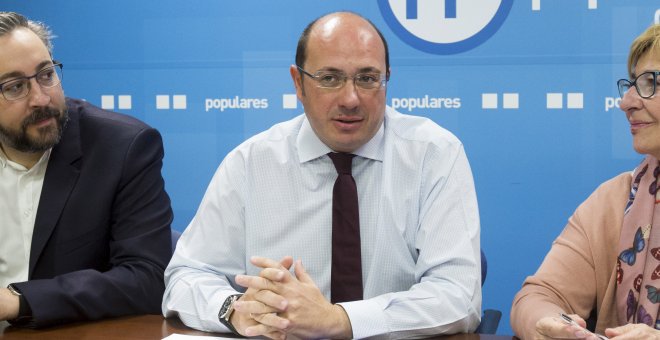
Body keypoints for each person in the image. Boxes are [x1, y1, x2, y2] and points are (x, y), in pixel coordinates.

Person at [162, 11, 481, 339]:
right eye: (330, 78)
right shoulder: (250, 163)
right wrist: (236, 308)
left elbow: (458, 296)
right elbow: (186, 276)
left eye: (368, 78)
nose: (350, 99)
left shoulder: (433, 154)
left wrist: (340, 319)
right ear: (298, 83)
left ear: (387, 79)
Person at [0, 12, 173, 328]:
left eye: (46, 74)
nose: (41, 98)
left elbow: (148, 277)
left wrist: (19, 301)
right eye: (14, 87)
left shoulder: (122, 147)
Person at [511, 23, 660, 339]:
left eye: (650, 83)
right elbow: (538, 297)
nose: (627, 103)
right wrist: (556, 327)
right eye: (632, 84)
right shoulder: (615, 199)